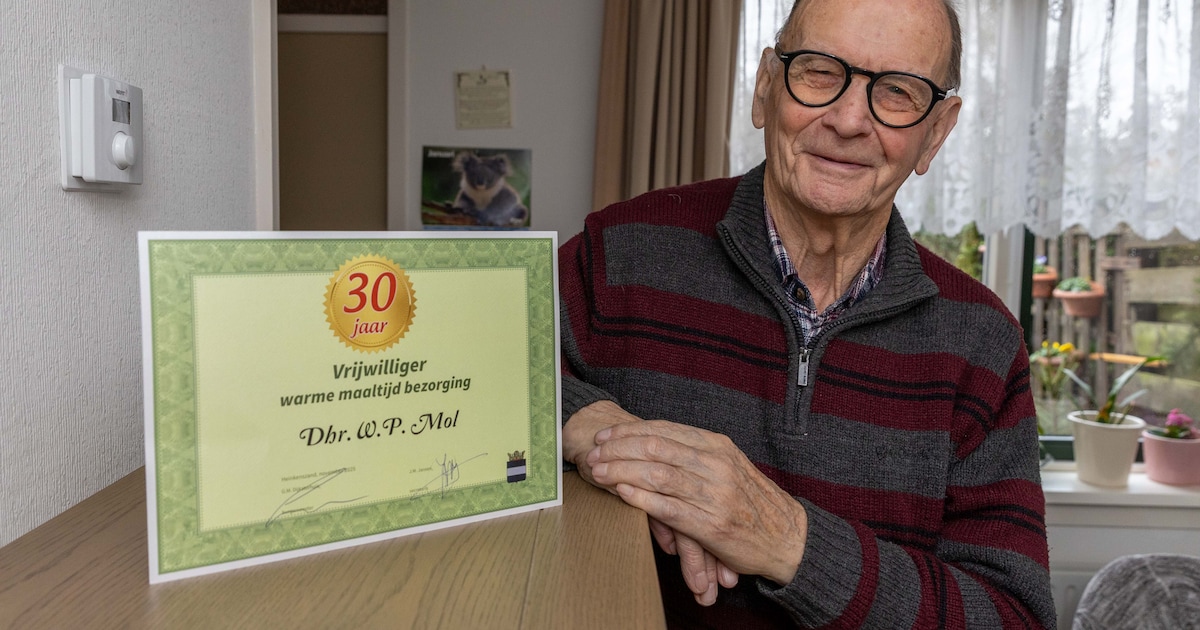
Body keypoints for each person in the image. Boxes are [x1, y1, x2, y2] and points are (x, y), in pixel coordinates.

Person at [558, 0, 1057, 627]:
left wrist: (788, 539)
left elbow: (1013, 618)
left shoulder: (982, 342)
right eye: (820, 72)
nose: (849, 120)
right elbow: (464, 379)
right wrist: (588, 423)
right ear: (766, 86)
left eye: (897, 92)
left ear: (936, 130)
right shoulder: (621, 250)